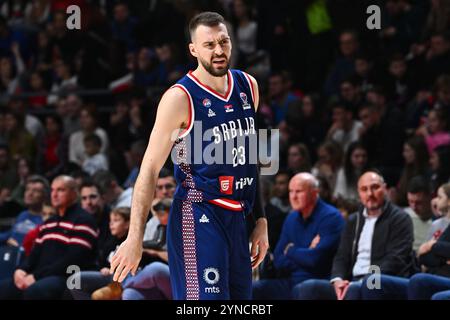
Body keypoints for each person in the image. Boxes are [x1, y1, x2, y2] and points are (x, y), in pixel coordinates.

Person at [110, 11, 269, 300]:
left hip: (238, 217)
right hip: (198, 215)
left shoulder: (249, 86)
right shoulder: (179, 97)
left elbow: (251, 157)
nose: (219, 51)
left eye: (224, 42)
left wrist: (261, 220)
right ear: (193, 50)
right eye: (209, 45)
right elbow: (148, 169)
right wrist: (134, 237)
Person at [295, 171, 414, 300]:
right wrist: (338, 280)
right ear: (359, 193)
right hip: (352, 281)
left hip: (380, 280)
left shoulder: (400, 218)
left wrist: (365, 279)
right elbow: (342, 256)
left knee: (357, 289)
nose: (370, 194)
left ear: (384, 188)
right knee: (308, 288)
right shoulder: (353, 220)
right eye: (364, 189)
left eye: (375, 187)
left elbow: (395, 259)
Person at [0, 175, 98, 300]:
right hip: (42, 275)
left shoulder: (83, 220)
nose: (55, 194)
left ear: (74, 194)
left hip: (69, 277)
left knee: (35, 291)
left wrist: (36, 276)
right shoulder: (49, 222)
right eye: (52, 190)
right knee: (3, 289)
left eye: (61, 190)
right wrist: (21, 270)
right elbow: (34, 254)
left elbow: (73, 260)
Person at [252, 173, 344, 299]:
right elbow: (278, 259)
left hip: (318, 281)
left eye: (299, 191)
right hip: (291, 280)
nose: (293, 197)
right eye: (291, 191)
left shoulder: (331, 217)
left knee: (305, 289)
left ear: (314, 193)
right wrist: (306, 252)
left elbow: (316, 260)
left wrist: (290, 250)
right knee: (254, 288)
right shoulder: (291, 218)